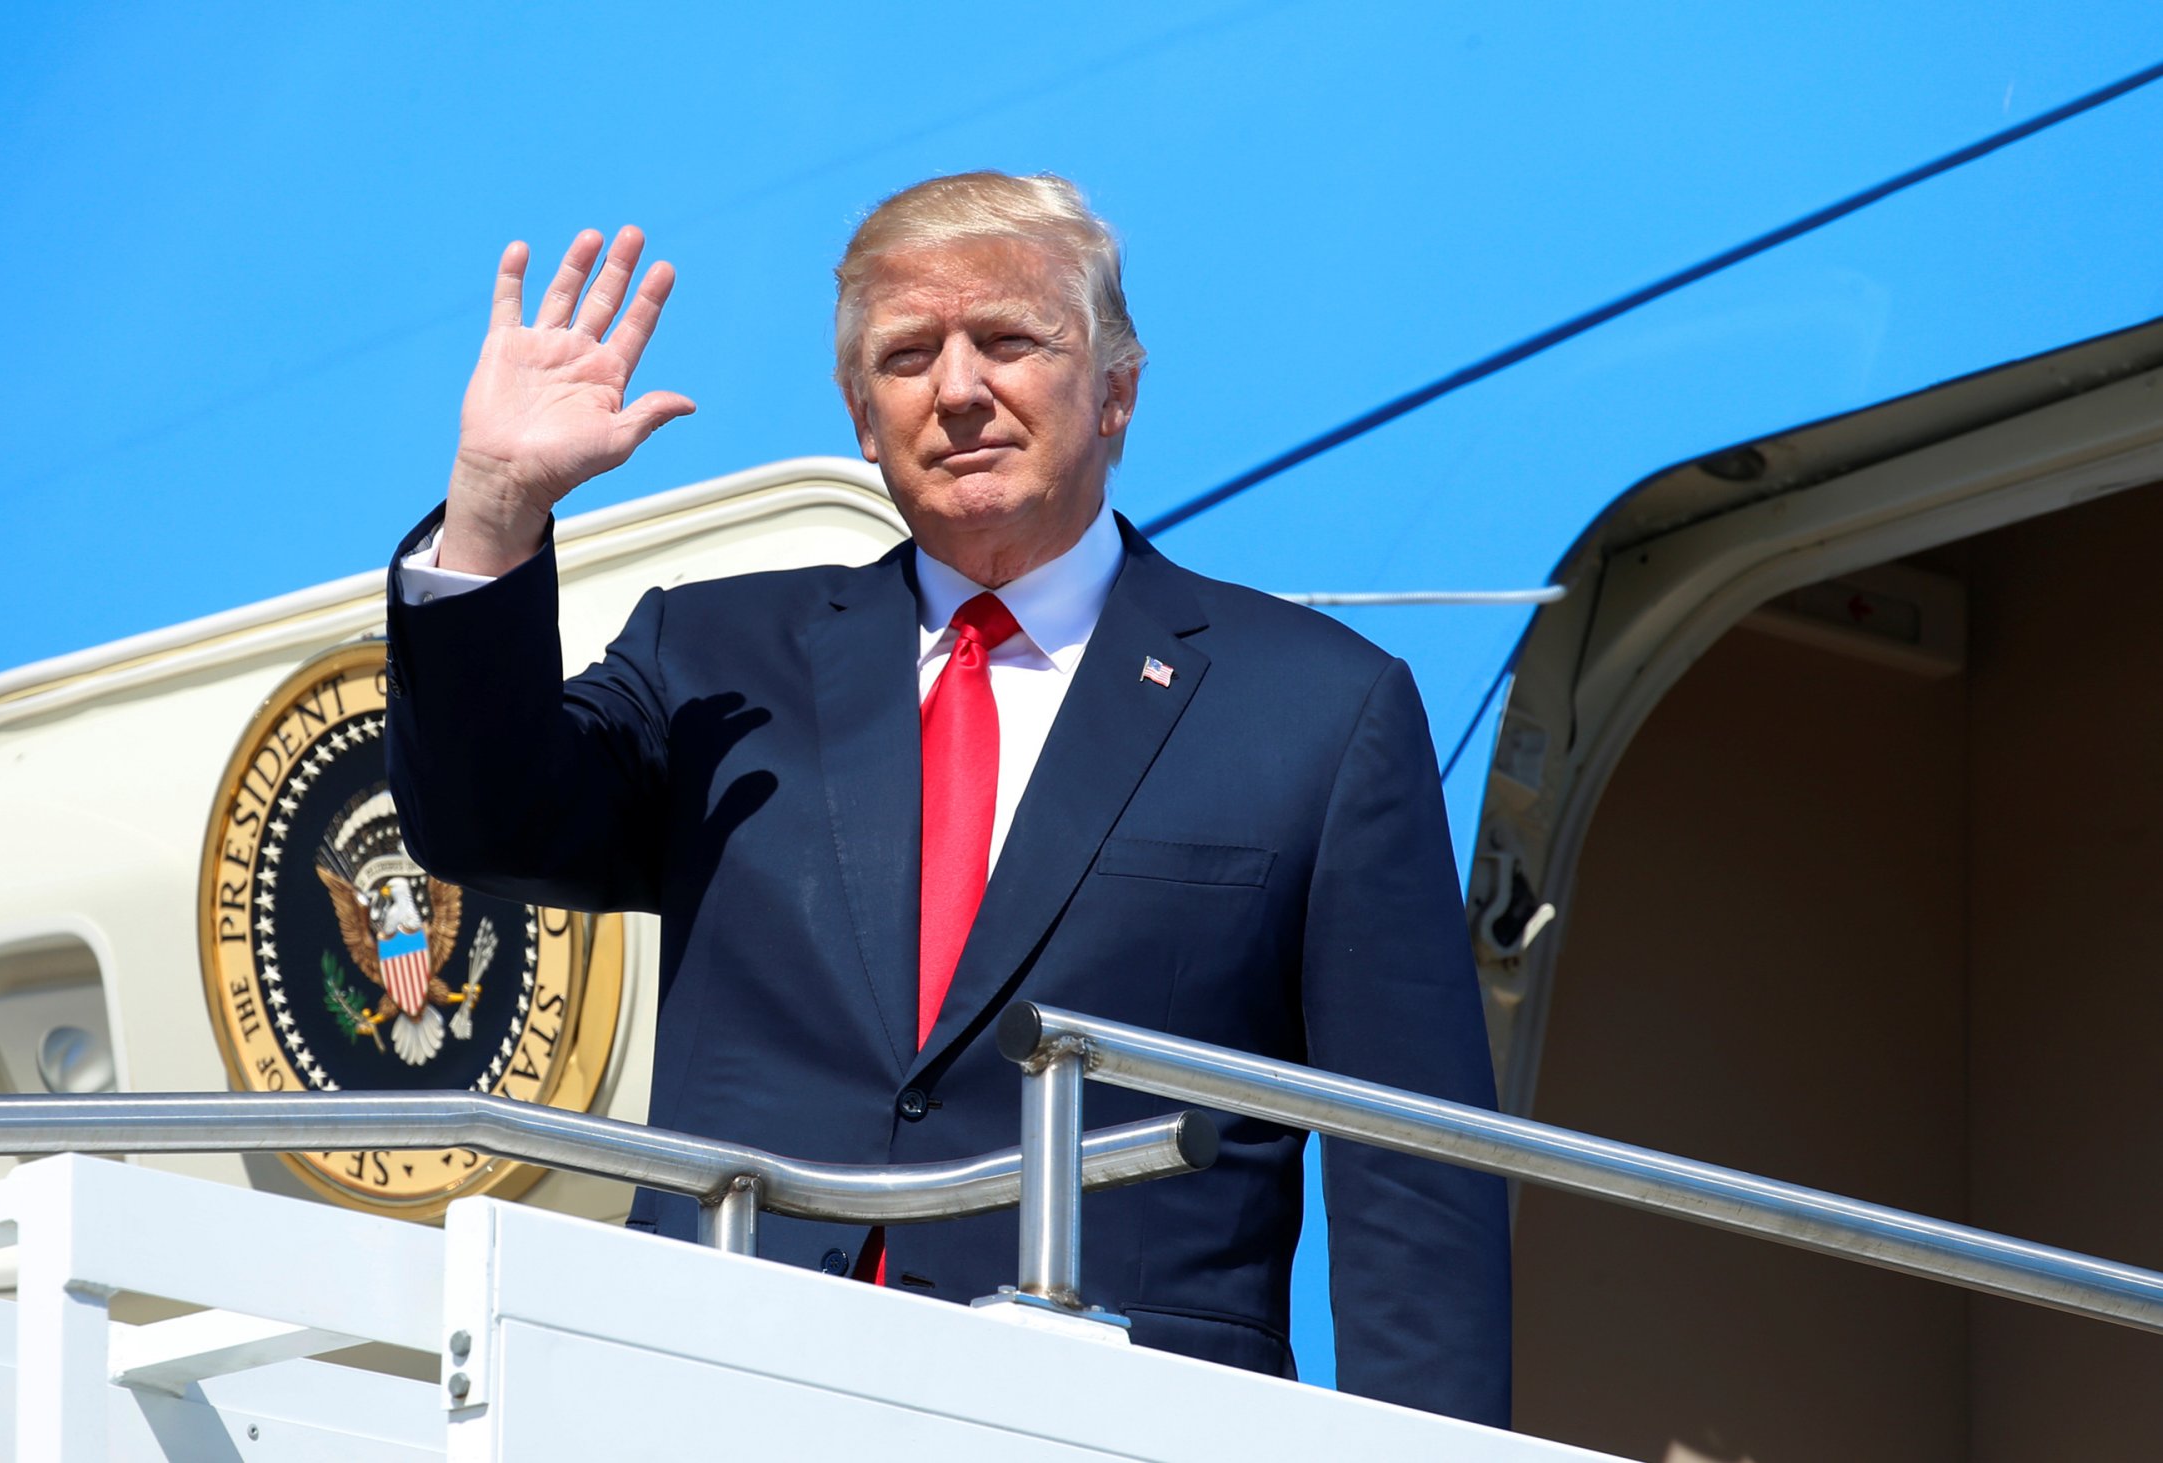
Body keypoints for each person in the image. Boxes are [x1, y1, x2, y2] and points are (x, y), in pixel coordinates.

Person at [384, 172, 1509, 1425]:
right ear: (864, 419)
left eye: (1011, 340)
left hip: (1116, 1419)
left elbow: (1416, 1180)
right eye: (908, 355)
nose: (959, 389)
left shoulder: (1315, 710)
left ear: (1117, 390)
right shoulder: (713, 658)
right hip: (718, 1393)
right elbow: (485, 824)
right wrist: (494, 503)